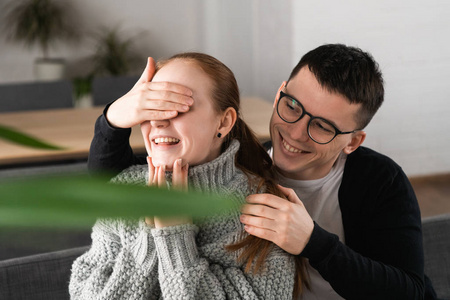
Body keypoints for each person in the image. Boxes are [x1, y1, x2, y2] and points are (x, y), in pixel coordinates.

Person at [86, 45, 436, 299]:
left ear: (352, 141)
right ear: (279, 95)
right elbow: (116, 182)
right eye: (292, 107)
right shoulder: (242, 161)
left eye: (323, 127)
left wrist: (314, 243)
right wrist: (116, 116)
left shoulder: (379, 180)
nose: (296, 132)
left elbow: (410, 291)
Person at [70, 52, 308, 299]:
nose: (159, 122)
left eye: (177, 107)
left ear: (224, 122)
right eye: (153, 106)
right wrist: (149, 241)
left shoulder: (266, 210)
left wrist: (175, 240)